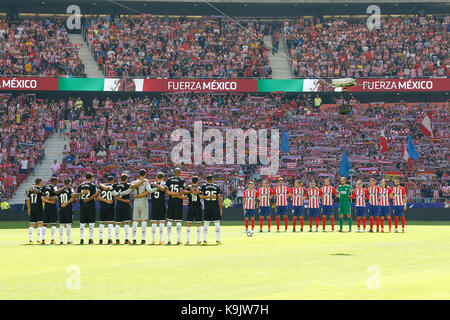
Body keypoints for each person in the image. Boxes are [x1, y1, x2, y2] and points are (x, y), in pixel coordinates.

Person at [128, 169, 157, 245]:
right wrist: (157, 187)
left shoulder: (134, 182)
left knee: (135, 221)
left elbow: (130, 188)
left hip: (136, 202)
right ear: (145, 174)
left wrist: (136, 196)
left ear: (139, 174)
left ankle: (134, 239)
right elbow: (150, 191)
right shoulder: (146, 182)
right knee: (144, 220)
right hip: (143, 201)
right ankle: (143, 239)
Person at [41, 177, 69, 244]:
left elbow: (43, 197)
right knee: (53, 224)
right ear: (54, 181)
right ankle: (53, 240)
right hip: (52, 207)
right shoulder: (54, 187)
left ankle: (43, 240)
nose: (57, 182)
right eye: (56, 181)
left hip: (46, 207)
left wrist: (48, 199)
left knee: (45, 224)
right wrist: (63, 188)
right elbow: (56, 193)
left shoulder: (44, 187)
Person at [58, 178, 86, 244]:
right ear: (69, 183)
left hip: (61, 208)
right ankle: (69, 240)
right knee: (68, 224)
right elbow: (73, 196)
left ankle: (61, 241)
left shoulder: (60, 189)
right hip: (67, 208)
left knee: (61, 224)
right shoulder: (70, 189)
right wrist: (81, 193)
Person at [77, 173, 100, 245]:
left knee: (82, 224)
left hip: (82, 206)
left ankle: (81, 240)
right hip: (90, 205)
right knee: (91, 223)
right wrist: (90, 198)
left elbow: (77, 196)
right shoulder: (93, 185)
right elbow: (96, 194)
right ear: (91, 178)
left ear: (85, 177)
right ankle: (90, 240)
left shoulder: (80, 186)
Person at [165, 168, 186, 245]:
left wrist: (173, 194)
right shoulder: (182, 180)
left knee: (169, 220)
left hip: (171, 201)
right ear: (180, 172)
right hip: (178, 202)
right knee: (178, 221)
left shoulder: (169, 180)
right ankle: (178, 240)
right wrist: (178, 195)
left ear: (174, 172)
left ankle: (169, 240)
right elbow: (181, 192)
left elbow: (167, 192)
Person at [200, 174, 223, 245]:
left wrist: (208, 196)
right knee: (217, 223)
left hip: (207, 207)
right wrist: (221, 208)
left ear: (206, 180)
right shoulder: (217, 187)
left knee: (206, 223)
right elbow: (219, 199)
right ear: (212, 179)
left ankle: (204, 240)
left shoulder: (203, 187)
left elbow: (201, 196)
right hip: (215, 207)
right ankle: (218, 240)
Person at [182, 176, 203, 245]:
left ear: (192, 181)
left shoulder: (189, 187)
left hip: (190, 206)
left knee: (188, 223)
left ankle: (188, 240)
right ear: (197, 181)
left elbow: (184, 195)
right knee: (198, 223)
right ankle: (198, 240)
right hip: (198, 207)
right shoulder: (200, 188)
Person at [112, 173, 132, 244]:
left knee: (118, 223)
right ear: (126, 179)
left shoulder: (115, 185)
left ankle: (117, 240)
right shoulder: (128, 185)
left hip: (118, 205)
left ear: (120, 179)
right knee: (126, 223)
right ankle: (126, 240)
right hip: (125, 205)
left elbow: (114, 195)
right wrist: (125, 201)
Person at [97, 176, 116, 244]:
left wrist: (104, 200)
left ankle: (101, 240)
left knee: (102, 223)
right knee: (110, 222)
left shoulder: (101, 186)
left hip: (103, 206)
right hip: (110, 206)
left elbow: (97, 196)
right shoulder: (113, 186)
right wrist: (108, 201)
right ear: (112, 180)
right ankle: (109, 239)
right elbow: (116, 195)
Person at [150, 172, 167, 245]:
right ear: (163, 178)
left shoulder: (152, 184)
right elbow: (163, 190)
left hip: (154, 205)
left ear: (157, 177)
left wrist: (155, 185)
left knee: (154, 222)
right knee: (161, 222)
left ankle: (153, 240)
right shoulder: (164, 184)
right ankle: (161, 240)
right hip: (161, 205)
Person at [26, 178, 44, 244]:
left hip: (32, 208)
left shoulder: (30, 190)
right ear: (40, 182)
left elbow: (28, 200)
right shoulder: (40, 189)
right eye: (42, 182)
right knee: (40, 224)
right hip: (39, 208)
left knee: (32, 224)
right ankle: (39, 240)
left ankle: (30, 240)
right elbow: (42, 199)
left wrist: (28, 208)